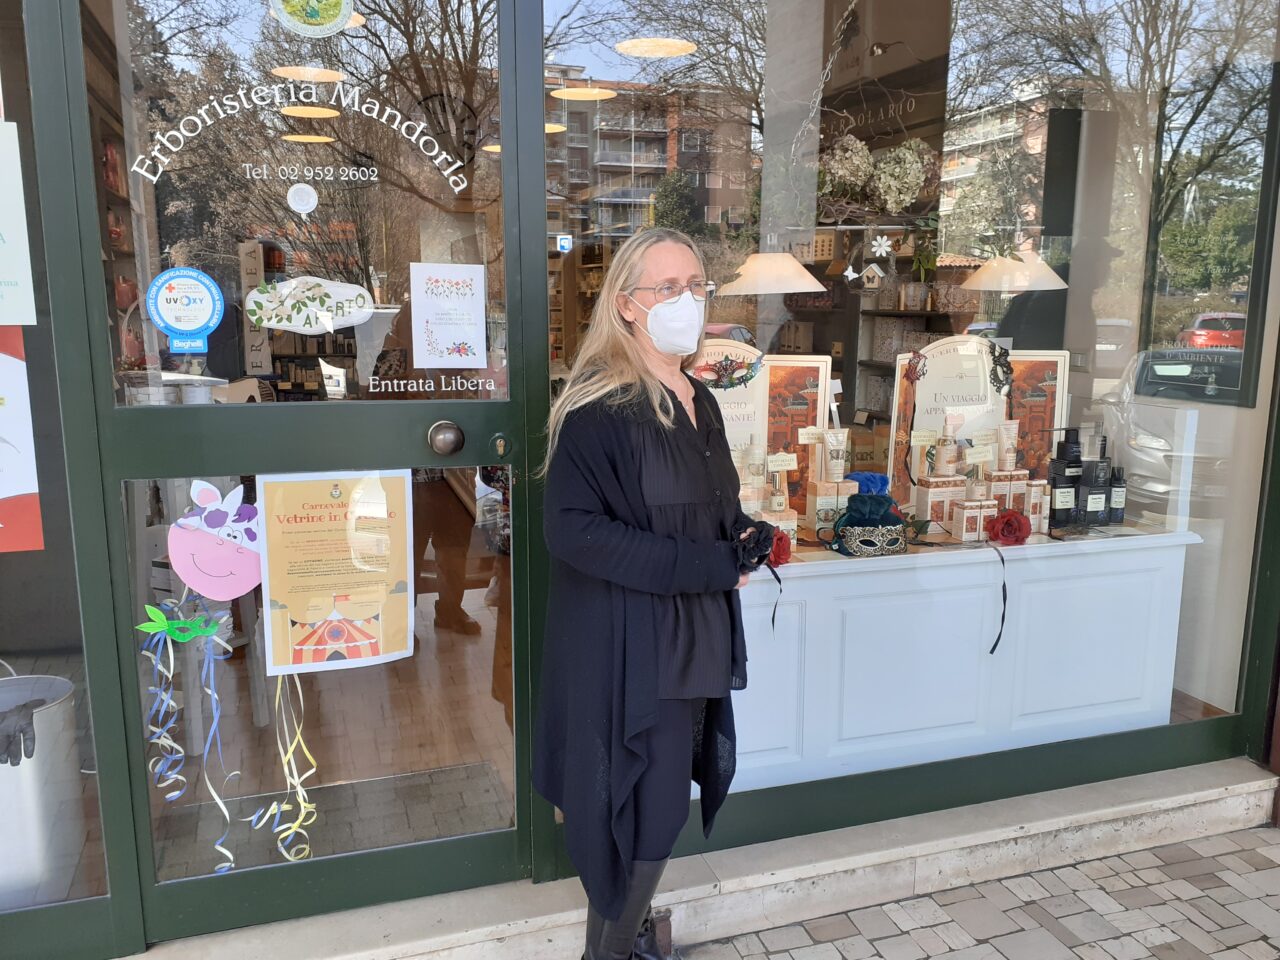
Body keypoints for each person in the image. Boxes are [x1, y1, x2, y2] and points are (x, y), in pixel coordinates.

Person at [533, 228, 775, 960]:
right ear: (626, 305)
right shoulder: (598, 408)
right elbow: (574, 532)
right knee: (647, 810)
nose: (685, 300)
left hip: (692, 635)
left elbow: (708, 506)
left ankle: (621, 943)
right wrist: (707, 565)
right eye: (667, 287)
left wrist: (742, 532)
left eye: (696, 286)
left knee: (655, 805)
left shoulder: (699, 397)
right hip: (631, 644)